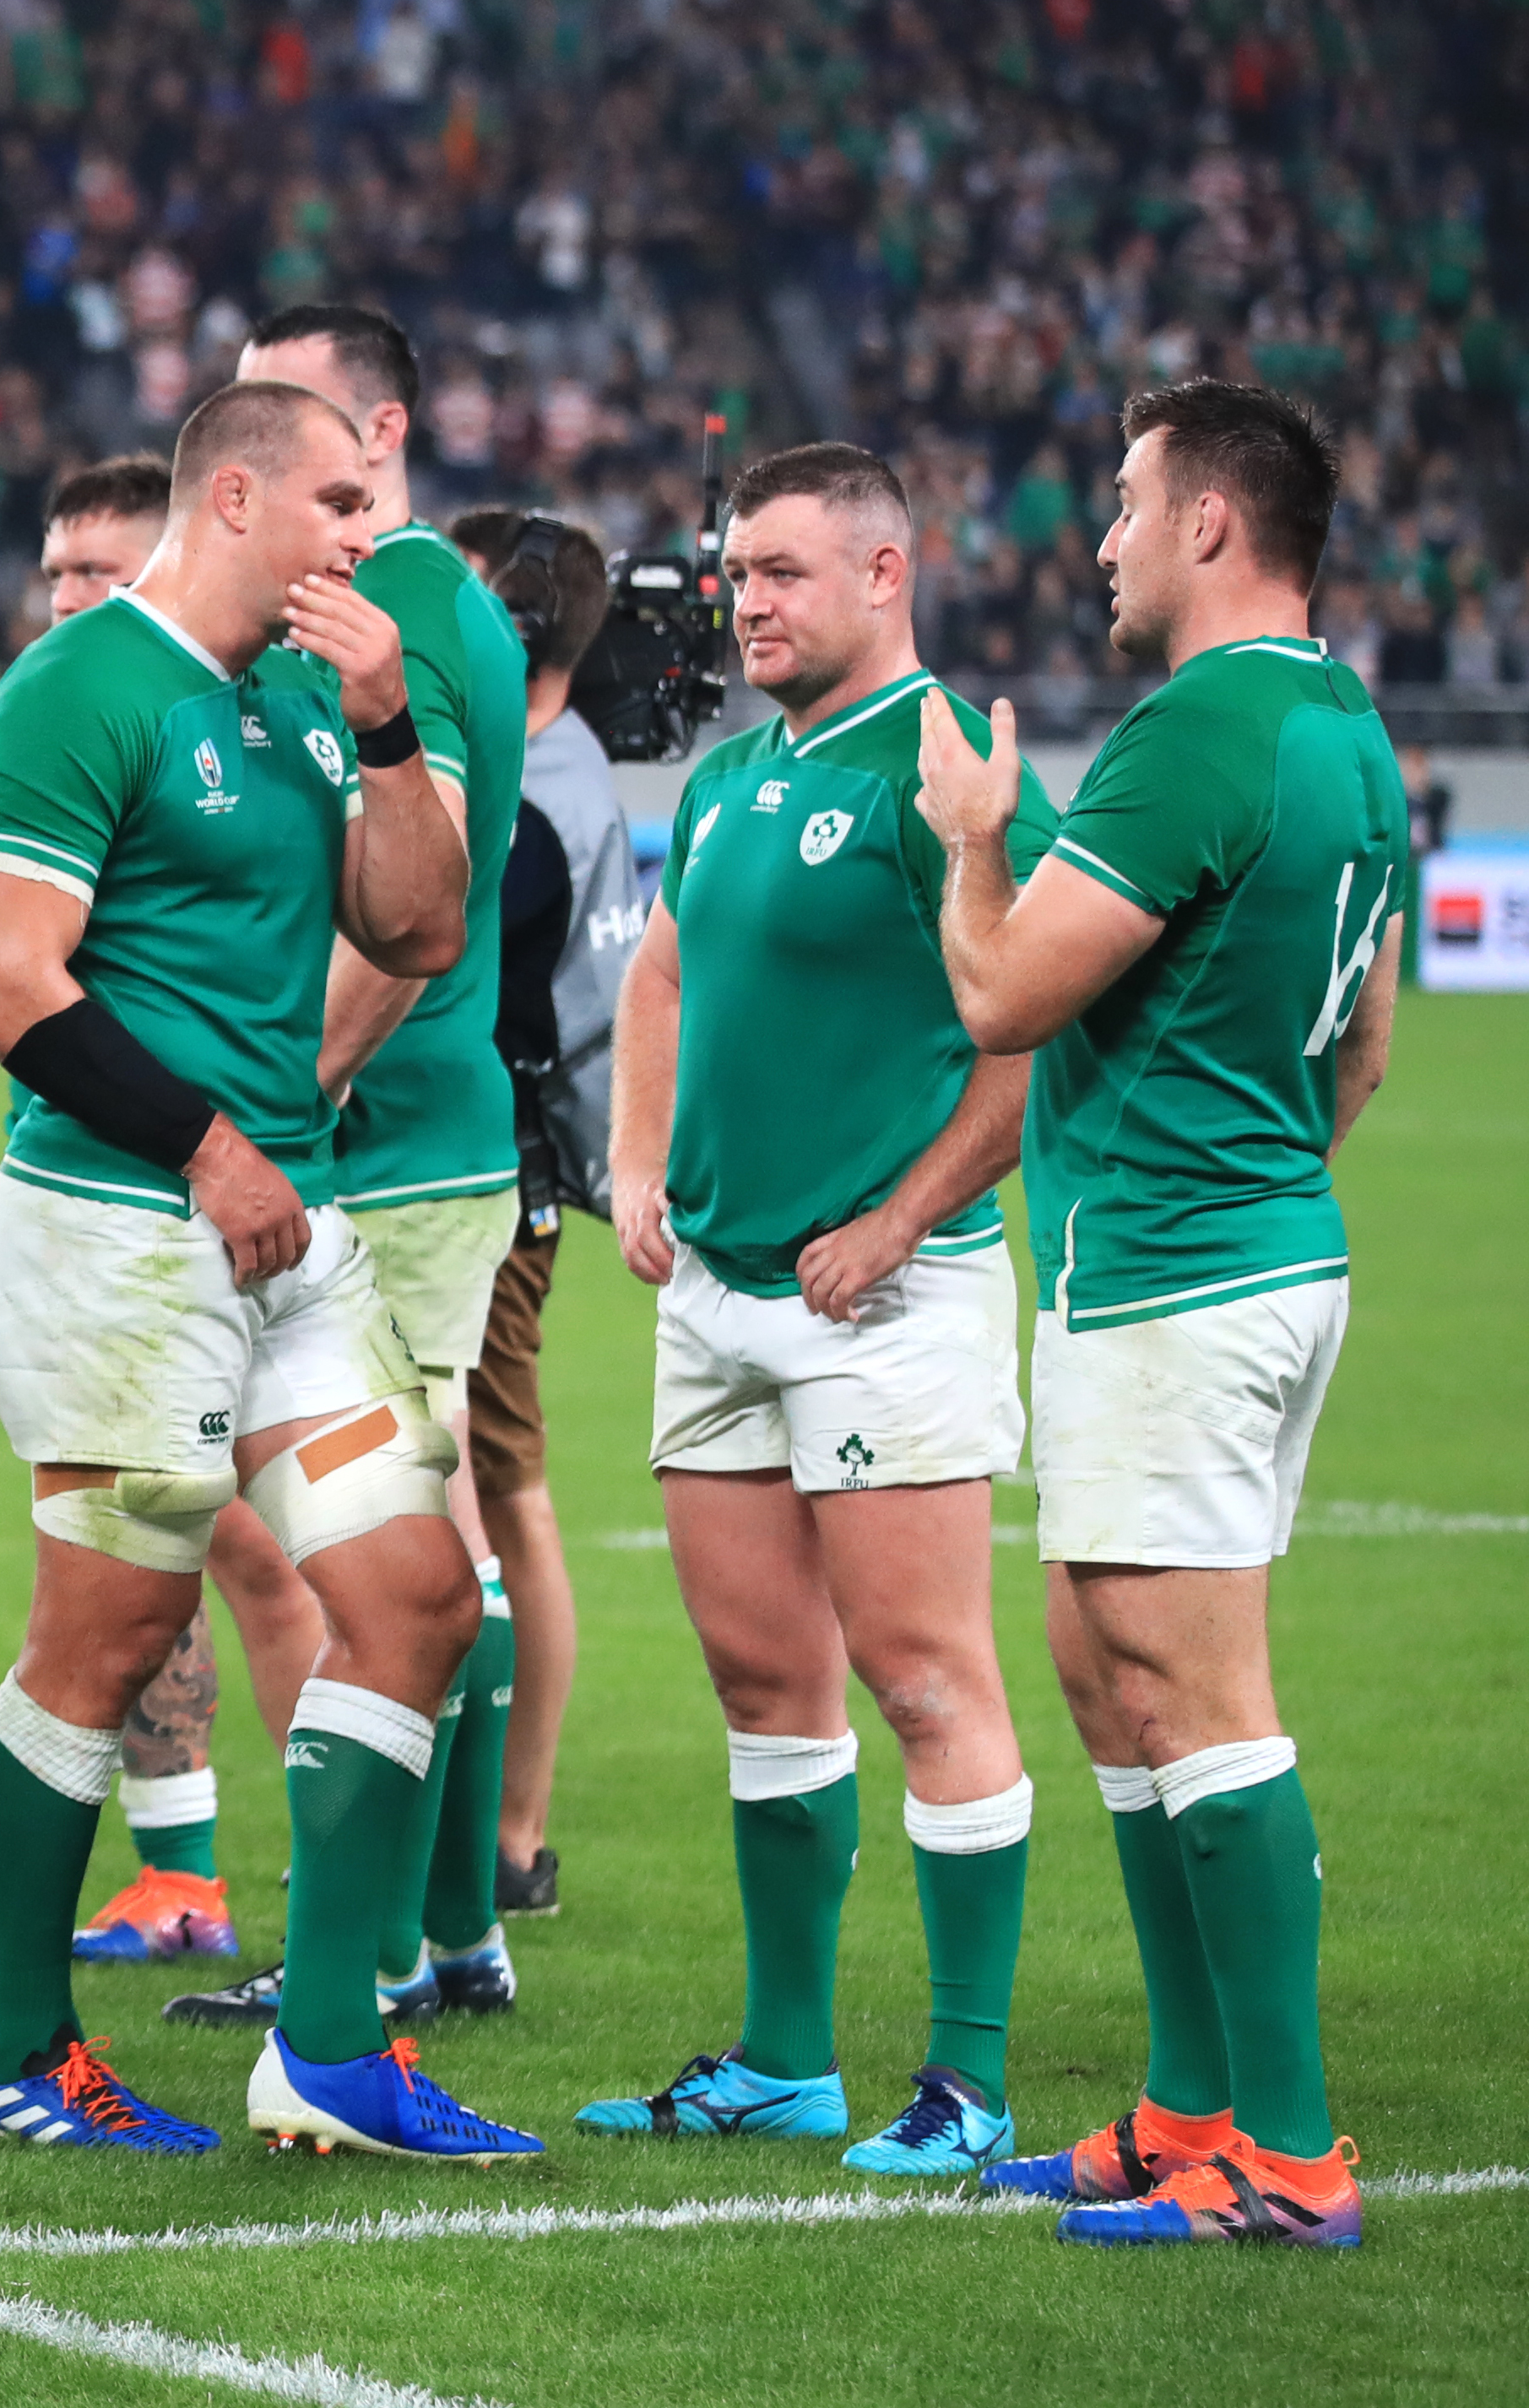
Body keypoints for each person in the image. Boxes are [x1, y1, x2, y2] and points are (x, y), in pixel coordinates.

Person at [0, 376, 539, 2167]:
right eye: (342, 503)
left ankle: (334, 2054)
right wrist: (206, 1144)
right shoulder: (75, 689)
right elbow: (3, 982)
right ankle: (26, 2049)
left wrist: (383, 729)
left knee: (421, 1599)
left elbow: (422, 927)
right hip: (124, 1233)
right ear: (233, 502)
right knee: (109, 1641)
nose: (370, 534)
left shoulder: (305, 697)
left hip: (285, 1237)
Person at [926, 380, 1402, 2250]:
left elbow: (999, 999)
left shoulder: (1194, 732)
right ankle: (1185, 2112)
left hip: (1182, 1276)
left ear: (1213, 524)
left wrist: (977, 831)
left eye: (1129, 504)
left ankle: (1285, 2161)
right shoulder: (1349, 730)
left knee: (1200, 1700)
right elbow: (1361, 1047)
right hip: (1257, 1246)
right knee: (1104, 1668)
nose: (1104, 537)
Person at [584, 444, 1050, 2175]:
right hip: (714, 1290)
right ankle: (788, 2061)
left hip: (888, 1300)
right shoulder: (728, 780)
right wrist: (637, 1164)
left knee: (926, 1682)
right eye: (736, 575)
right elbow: (668, 965)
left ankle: (971, 2082)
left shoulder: (949, 777)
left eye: (781, 572)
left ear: (883, 576)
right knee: (764, 1679)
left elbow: (1035, 1028)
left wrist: (903, 1215)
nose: (746, 605)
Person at [203, 302, 531, 2031]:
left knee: (370, 1559)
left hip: (386, 1147)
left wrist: (275, 1108)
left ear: (387, 432)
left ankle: (393, 1944)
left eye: (308, 408)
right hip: (418, 1143)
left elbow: (417, 909)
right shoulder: (413, 596)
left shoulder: (390, 607)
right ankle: (451, 1925)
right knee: (419, 1541)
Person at [0, 453, 263, 1970]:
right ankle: (180, 1876)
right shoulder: (42, 733)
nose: (64, 603)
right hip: (111, 1214)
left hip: (269, 1207)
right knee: (151, 1557)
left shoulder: (235, 727)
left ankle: (373, 1933)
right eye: (50, 574)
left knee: (289, 1558)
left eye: (96, 573)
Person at [446, 506, 635, 1921]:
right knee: (503, 1491)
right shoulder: (574, 775)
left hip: (484, 1184)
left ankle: (494, 1844)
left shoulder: (513, 798)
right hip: (538, 1176)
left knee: (482, 1495)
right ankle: (504, 1838)